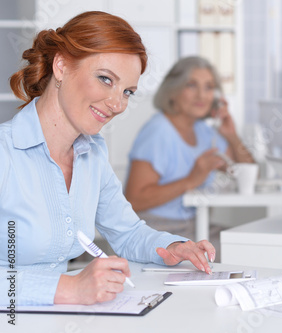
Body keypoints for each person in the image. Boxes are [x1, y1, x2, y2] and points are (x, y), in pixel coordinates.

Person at [0, 11, 215, 307]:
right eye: (105, 79)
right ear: (61, 66)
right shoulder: (4, 153)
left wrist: (171, 247)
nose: (117, 104)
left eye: (127, 91)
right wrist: (70, 289)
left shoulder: (92, 152)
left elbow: (127, 232)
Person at [125, 56, 254, 232]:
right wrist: (191, 180)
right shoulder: (158, 131)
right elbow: (134, 200)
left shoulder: (205, 132)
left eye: (209, 87)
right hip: (156, 228)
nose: (201, 95)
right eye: (191, 85)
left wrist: (232, 135)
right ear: (173, 91)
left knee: (247, 245)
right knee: (243, 252)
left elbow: (248, 175)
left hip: (196, 225)